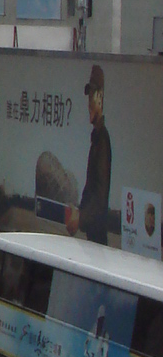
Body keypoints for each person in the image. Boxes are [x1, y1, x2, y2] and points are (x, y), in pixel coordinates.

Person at [65, 64, 113, 245]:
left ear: (100, 98)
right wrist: (79, 212)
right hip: (92, 236)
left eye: (93, 97)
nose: (89, 105)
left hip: (97, 238)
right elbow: (90, 188)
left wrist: (80, 218)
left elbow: (100, 196)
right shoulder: (97, 138)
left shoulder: (102, 139)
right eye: (88, 99)